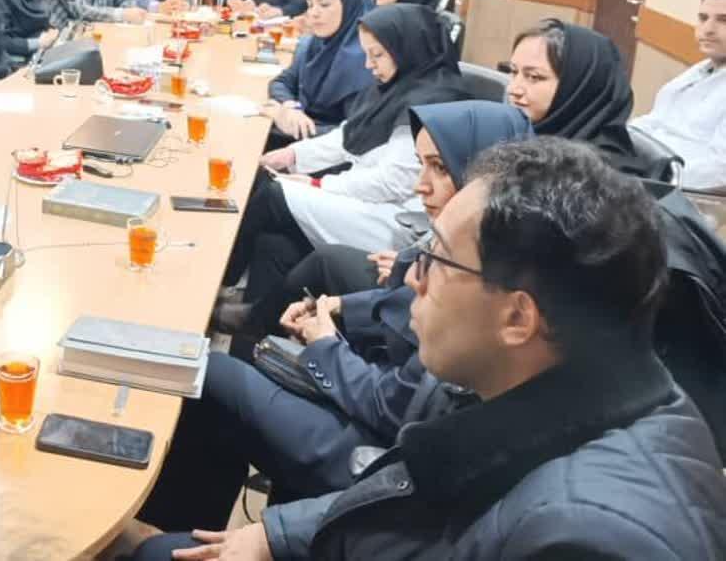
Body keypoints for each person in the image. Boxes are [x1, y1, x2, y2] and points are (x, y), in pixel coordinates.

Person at [135, 138, 726, 561]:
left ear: (518, 316)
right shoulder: (568, 378)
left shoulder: (587, 537)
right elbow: (413, 490)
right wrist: (278, 535)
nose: (412, 279)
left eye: (436, 259)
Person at [138, 101, 531, 540]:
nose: (420, 185)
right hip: (377, 405)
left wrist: (325, 345)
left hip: (375, 455)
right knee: (275, 259)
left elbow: (394, 406)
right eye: (422, 165)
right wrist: (341, 307)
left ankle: (169, 536)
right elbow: (398, 305)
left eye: (439, 168)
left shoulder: (479, 287)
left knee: (205, 372)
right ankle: (186, 534)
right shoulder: (477, 249)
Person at [218, 4, 470, 323]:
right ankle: (254, 328)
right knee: (274, 244)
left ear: (405, 49)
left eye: (377, 55)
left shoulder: (432, 100)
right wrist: (293, 155)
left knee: (272, 195)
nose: (368, 64)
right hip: (364, 199)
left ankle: (219, 280)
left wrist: (319, 184)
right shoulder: (399, 86)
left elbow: (392, 182)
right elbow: (348, 136)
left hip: (393, 219)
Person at [506, 17, 649, 176]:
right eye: (513, 72)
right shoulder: (521, 134)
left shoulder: (601, 176)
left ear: (577, 86)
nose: (513, 89)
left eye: (534, 77)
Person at [628, 0, 726, 190]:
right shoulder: (701, 70)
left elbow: (720, 169)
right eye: (703, 18)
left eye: (723, 20)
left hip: (681, 191)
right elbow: (656, 120)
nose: (708, 29)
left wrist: (653, 177)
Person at [264, 0, 375, 142]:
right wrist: (291, 108)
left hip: (328, 150)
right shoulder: (312, 44)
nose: (313, 13)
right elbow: (281, 82)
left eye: (324, 4)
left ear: (349, 5)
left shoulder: (366, 59)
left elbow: (356, 135)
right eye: (310, 5)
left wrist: (285, 121)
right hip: (302, 137)